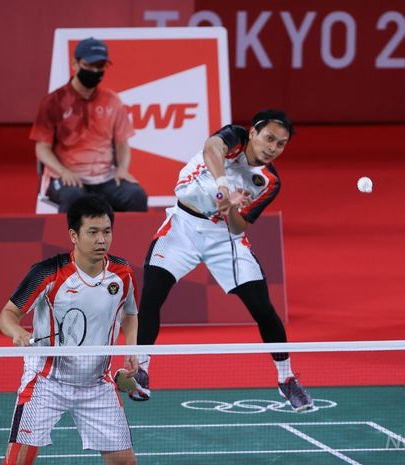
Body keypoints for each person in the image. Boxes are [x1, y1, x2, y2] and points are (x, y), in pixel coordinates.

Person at [130, 109, 313, 412]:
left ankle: (287, 378)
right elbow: (211, 149)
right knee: (152, 295)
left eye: (281, 144)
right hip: (183, 226)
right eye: (269, 138)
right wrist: (223, 186)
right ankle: (141, 370)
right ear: (253, 133)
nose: (273, 147)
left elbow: (241, 227)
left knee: (262, 307)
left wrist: (231, 210)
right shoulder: (234, 138)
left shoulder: (269, 181)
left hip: (223, 237)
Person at [0, 194, 140, 465]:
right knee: (18, 462)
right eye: (93, 232)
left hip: (97, 384)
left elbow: (130, 313)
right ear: (74, 235)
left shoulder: (122, 273)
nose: (101, 240)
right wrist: (16, 331)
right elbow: (6, 314)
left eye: (107, 232)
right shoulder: (48, 272)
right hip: (46, 382)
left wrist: (132, 348)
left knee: (125, 462)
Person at [30, 37, 147, 213]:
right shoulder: (53, 102)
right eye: (88, 64)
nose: (94, 70)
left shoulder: (112, 101)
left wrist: (122, 169)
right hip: (66, 176)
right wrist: (63, 172)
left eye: (100, 66)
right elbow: (42, 149)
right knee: (75, 200)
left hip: (105, 178)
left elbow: (122, 144)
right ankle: (64, 241)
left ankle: (128, 241)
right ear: (74, 64)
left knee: (136, 195)